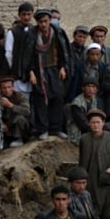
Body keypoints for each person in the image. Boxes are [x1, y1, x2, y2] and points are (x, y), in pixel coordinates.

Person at [25, 9, 69, 140]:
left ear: (50, 20)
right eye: (40, 22)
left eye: (45, 21)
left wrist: (63, 67)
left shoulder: (57, 32)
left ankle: (56, 128)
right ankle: (42, 129)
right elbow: (28, 56)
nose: (43, 24)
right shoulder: (32, 34)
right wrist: (31, 72)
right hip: (38, 70)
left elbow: (63, 51)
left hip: (55, 69)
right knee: (40, 99)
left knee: (57, 97)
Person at [0, 76, 33, 148]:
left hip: (19, 126)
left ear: (13, 87)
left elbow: (27, 111)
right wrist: (1, 124)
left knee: (19, 118)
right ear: (0, 89)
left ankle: (18, 138)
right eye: (4, 88)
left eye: (9, 87)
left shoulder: (20, 96)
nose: (7, 90)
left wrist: (11, 105)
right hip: (6, 127)